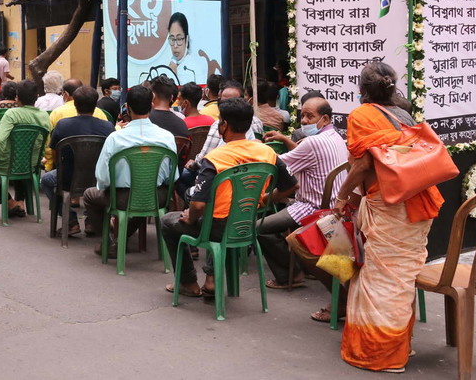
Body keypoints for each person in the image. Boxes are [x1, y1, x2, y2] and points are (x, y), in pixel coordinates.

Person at [333, 62, 444, 373]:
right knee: (400, 278)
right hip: (417, 203)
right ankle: (401, 344)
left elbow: (362, 165)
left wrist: (342, 197)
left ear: (362, 91)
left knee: (382, 279)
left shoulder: (361, 115)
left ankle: (379, 354)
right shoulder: (403, 115)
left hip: (390, 205)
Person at [160, 97, 297, 297]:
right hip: (247, 223)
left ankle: (187, 283)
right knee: (215, 210)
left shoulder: (215, 158)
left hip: (217, 227)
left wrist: (190, 217)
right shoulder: (267, 153)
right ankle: (211, 279)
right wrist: (263, 200)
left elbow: (198, 204)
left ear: (224, 125)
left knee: (168, 221)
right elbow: (292, 186)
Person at [259, 96, 349, 318]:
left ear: (325, 118)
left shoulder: (313, 142)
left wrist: (253, 149)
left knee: (260, 227)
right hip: (334, 205)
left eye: (310, 116)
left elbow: (277, 165)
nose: (304, 121)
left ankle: (290, 274)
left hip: (312, 207)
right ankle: (295, 269)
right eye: (303, 115)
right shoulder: (336, 136)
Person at [83, 85, 177, 255]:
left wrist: (109, 188)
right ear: (152, 105)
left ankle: (109, 241)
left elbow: (103, 178)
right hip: (157, 197)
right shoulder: (167, 137)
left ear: (127, 107)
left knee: (90, 195)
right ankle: (120, 238)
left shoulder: (115, 138)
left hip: (122, 198)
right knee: (143, 197)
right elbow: (173, 177)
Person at [41, 86, 114, 236]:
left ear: (74, 104)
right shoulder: (107, 127)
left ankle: (70, 221)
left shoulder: (63, 125)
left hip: (68, 178)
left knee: (46, 180)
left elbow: (54, 153)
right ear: (96, 105)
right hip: (98, 179)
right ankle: (91, 220)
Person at [0, 80, 51, 217]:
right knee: (23, 159)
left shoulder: (12, 114)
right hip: (31, 165)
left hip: (9, 164)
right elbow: (46, 142)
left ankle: (10, 203)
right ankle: (20, 202)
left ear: (17, 97)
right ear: (37, 97)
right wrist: (41, 158)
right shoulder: (45, 116)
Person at [165, 12, 206, 85]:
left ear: (186, 39)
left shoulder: (195, 69)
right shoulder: (166, 67)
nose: (175, 45)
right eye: (172, 39)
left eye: (179, 39)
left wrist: (174, 77)